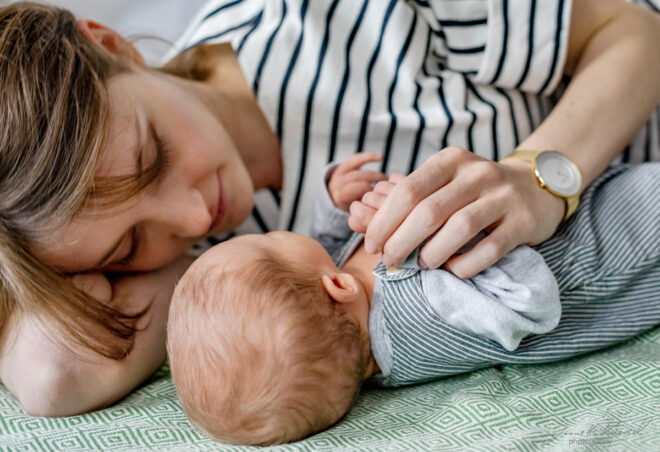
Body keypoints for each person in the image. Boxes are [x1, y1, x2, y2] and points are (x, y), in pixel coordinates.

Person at [0, 0, 659, 416]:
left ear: (113, 46)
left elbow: (633, 30)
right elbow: (53, 377)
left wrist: (539, 176)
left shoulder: (334, 17)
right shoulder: (231, 280)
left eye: (154, 157)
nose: (196, 219)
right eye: (126, 247)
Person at [166, 156, 660, 446]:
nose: (280, 230)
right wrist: (453, 240)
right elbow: (532, 303)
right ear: (336, 288)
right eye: (271, 241)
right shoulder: (415, 321)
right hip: (621, 245)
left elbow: (328, 246)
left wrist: (336, 203)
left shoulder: (342, 300)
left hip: (580, 200)